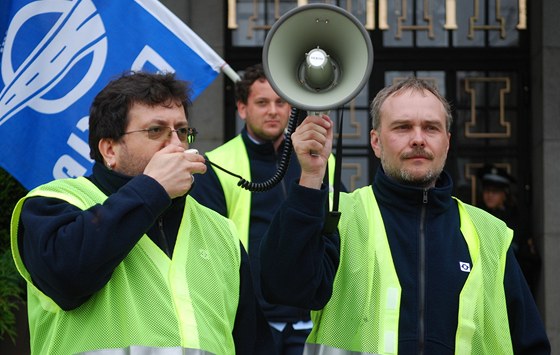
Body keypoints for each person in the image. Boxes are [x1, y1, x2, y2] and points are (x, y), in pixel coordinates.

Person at [259, 77, 550, 353]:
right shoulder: (342, 217)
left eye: (431, 128)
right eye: (402, 127)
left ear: (447, 142)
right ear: (375, 142)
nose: (418, 139)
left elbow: (530, 343)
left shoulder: (491, 233)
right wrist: (310, 178)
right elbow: (284, 288)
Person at [10, 71, 275, 354]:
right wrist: (153, 189)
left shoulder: (220, 230)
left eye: (183, 131)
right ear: (110, 150)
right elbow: (68, 278)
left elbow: (252, 342)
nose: (176, 145)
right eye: (155, 131)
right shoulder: (52, 203)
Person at [191, 63, 337, 355]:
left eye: (280, 102)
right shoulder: (218, 165)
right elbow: (207, 249)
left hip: (311, 316)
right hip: (253, 318)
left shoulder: (322, 161)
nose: (273, 110)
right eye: (262, 102)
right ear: (242, 109)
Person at [477, 164, 542, 297]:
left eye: (494, 191)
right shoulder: (475, 217)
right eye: (486, 190)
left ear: (504, 194)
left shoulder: (517, 221)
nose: (489, 195)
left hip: (509, 290)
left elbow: (530, 261)